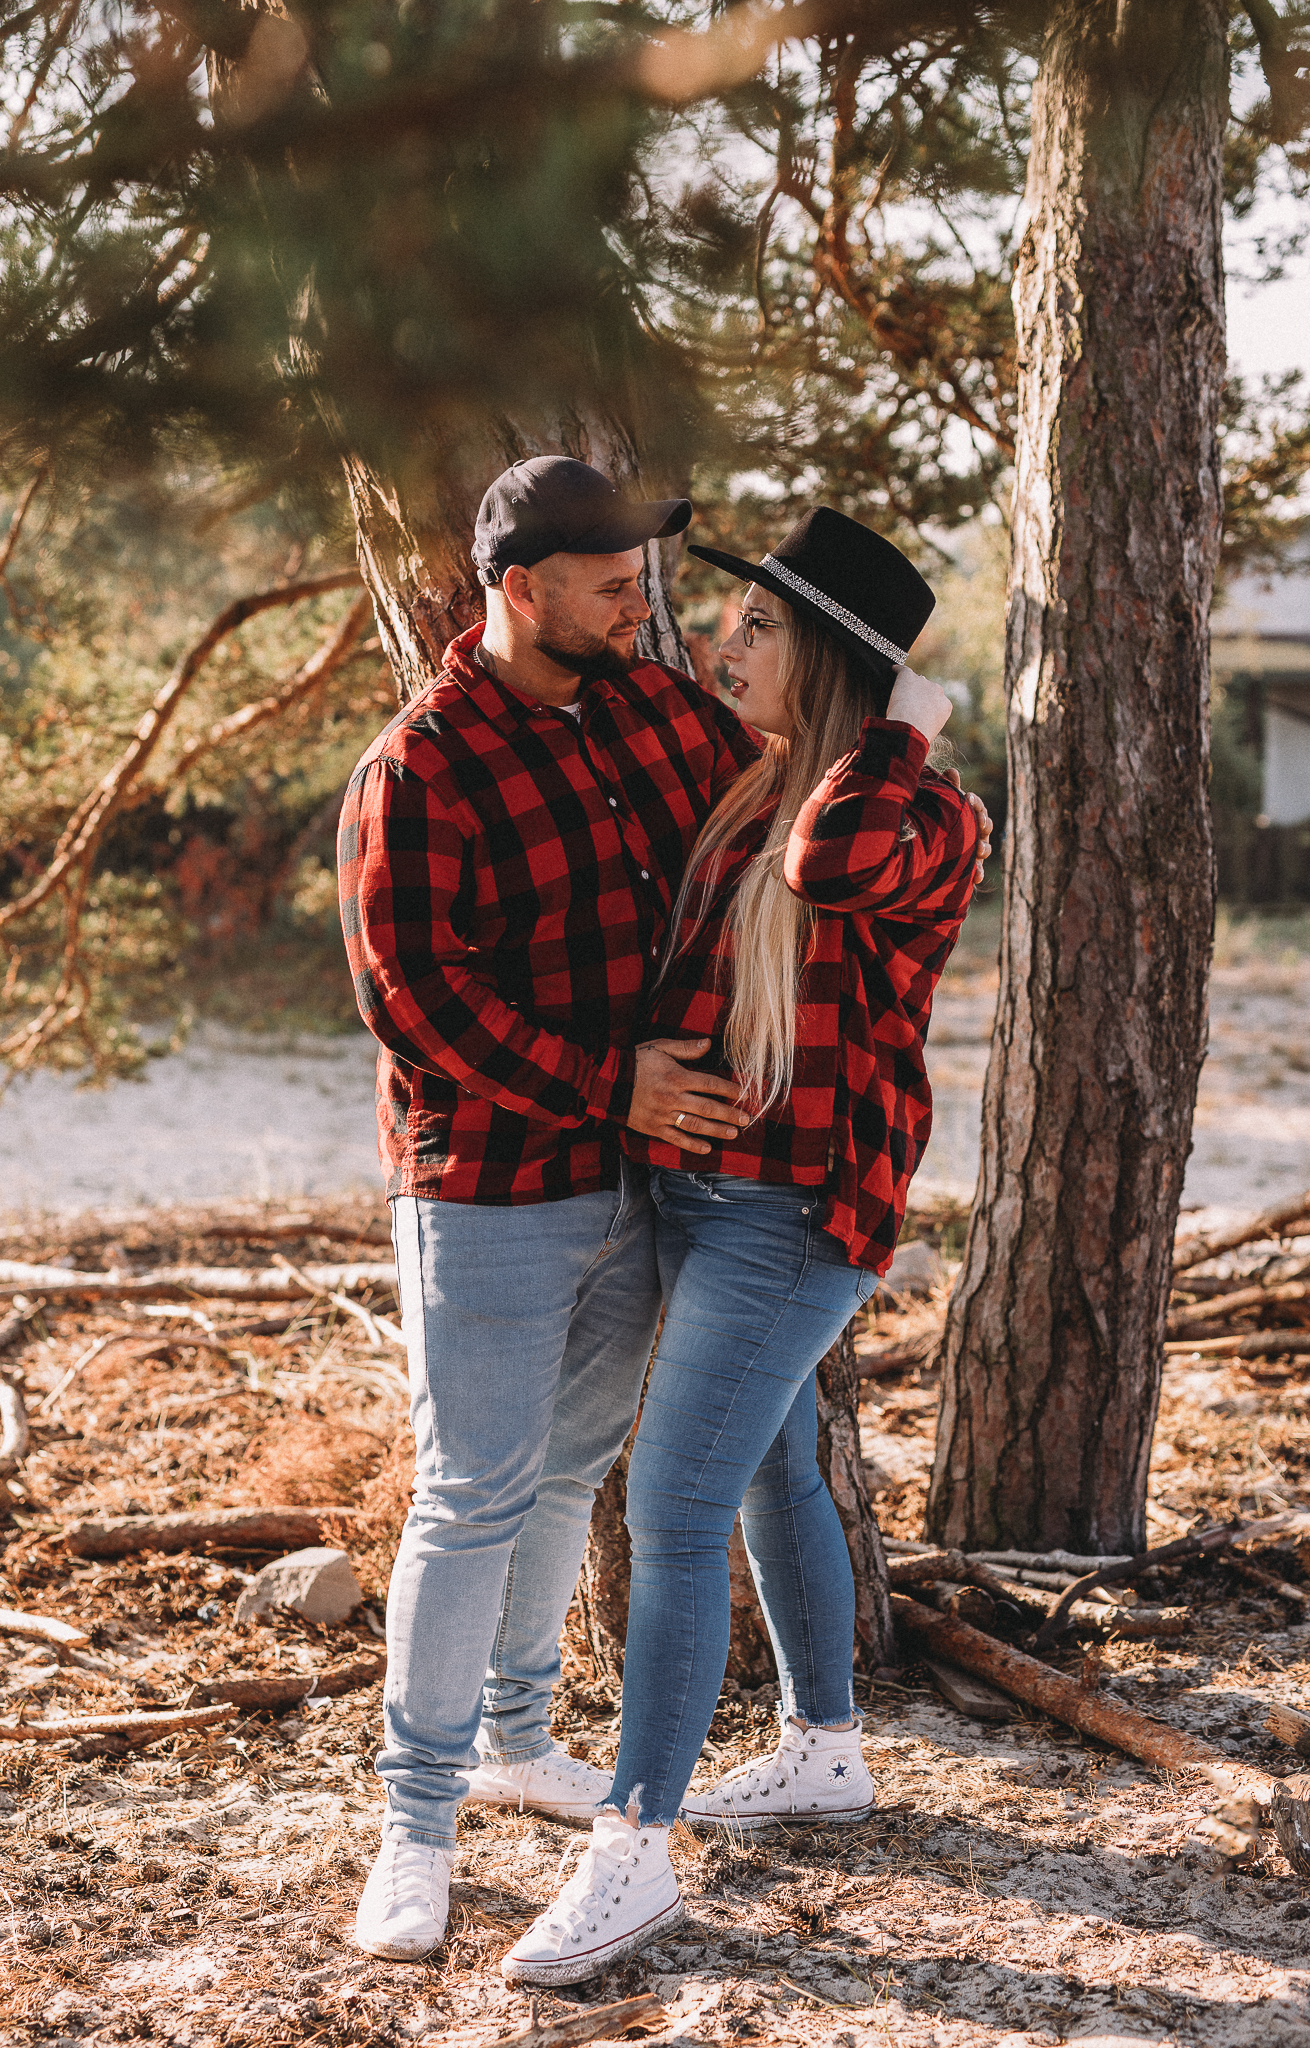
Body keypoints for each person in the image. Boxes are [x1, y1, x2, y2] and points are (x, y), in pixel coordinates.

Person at [500, 507, 989, 1988]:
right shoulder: (748, 792)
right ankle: (825, 1750)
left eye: (760, 627)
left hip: (797, 1215)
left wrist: (901, 723)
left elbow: (834, 866)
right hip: (702, 1201)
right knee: (773, 1467)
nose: (724, 645)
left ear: (834, 661)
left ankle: (633, 1850)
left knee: (674, 1500)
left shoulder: (920, 817)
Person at [337, 456, 762, 1962]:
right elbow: (412, 998)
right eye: (610, 584)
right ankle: (415, 1826)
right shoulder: (419, 766)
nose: (640, 606)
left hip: (641, 1180)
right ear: (520, 589)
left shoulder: (652, 708)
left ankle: (520, 1737)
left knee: (572, 1464)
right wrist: (610, 1086)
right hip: (489, 1188)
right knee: (471, 1493)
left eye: (642, 581)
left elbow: (777, 788)